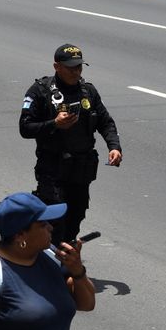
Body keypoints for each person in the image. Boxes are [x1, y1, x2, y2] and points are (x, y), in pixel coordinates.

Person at [19, 44, 122, 245]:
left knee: (76, 216)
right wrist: (54, 124)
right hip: (53, 169)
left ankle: (64, 254)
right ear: (56, 66)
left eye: (79, 67)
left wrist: (114, 147)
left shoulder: (88, 92)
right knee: (55, 221)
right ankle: (47, 257)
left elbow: (105, 122)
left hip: (81, 169)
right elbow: (25, 128)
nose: (76, 72)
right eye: (71, 68)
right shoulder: (40, 91)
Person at [0, 192, 95, 330]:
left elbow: (87, 304)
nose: (50, 227)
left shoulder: (51, 257)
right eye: (43, 224)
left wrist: (78, 271)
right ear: (20, 235)